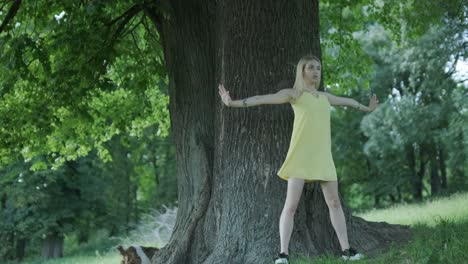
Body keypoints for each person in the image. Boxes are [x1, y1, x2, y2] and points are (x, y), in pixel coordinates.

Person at [217, 54, 379, 263]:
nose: (315, 71)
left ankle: (347, 251)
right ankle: (283, 254)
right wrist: (232, 103)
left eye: (318, 68)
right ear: (302, 71)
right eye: (310, 67)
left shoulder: (324, 97)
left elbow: (348, 101)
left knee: (334, 203)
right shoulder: (293, 94)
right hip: (301, 156)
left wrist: (367, 108)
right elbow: (262, 99)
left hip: (322, 157)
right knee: (291, 206)